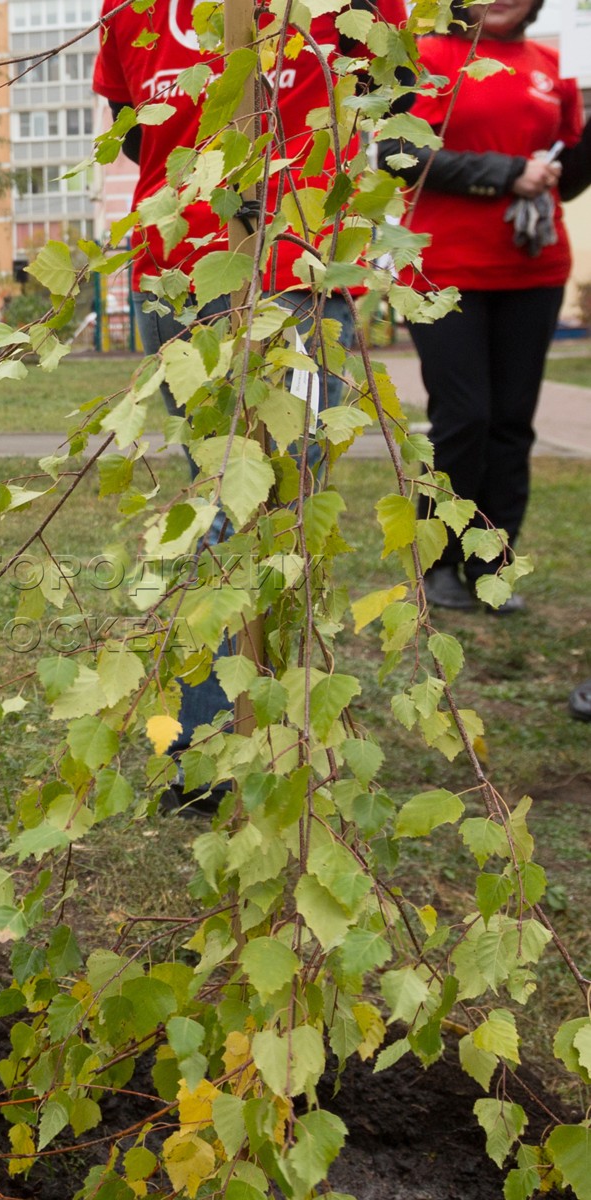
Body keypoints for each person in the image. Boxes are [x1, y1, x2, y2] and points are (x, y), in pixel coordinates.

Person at [94, 0, 408, 813]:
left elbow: (393, 87)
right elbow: (134, 127)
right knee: (216, 513)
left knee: (282, 513)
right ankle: (200, 752)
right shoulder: (128, 6)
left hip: (299, 285)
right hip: (182, 283)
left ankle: (270, 736)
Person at [381, 0, 587, 615]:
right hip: (442, 270)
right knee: (464, 417)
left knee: (511, 423)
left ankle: (491, 566)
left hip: (535, 269)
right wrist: (503, 173)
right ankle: (440, 562)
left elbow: (565, 175)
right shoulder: (420, 58)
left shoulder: (556, 66)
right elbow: (397, 153)